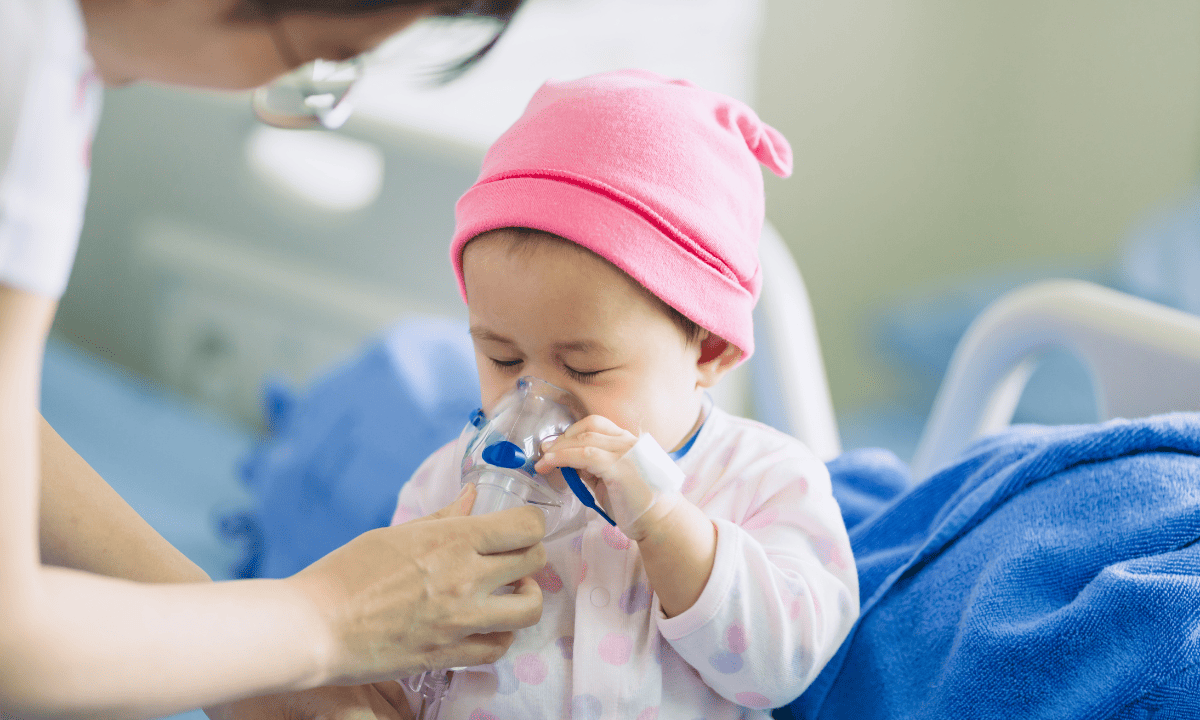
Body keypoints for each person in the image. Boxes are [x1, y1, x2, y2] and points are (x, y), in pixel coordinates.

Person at [0, 1, 551, 718]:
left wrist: (243, 666)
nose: (295, 76)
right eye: (324, 53)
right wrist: (324, 619)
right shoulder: (29, 64)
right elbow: (17, 640)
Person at [389, 70, 860, 718]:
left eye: (584, 369)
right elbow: (391, 652)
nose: (535, 400)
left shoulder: (765, 480)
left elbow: (784, 669)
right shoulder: (450, 486)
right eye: (503, 358)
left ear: (709, 350)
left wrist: (665, 523)